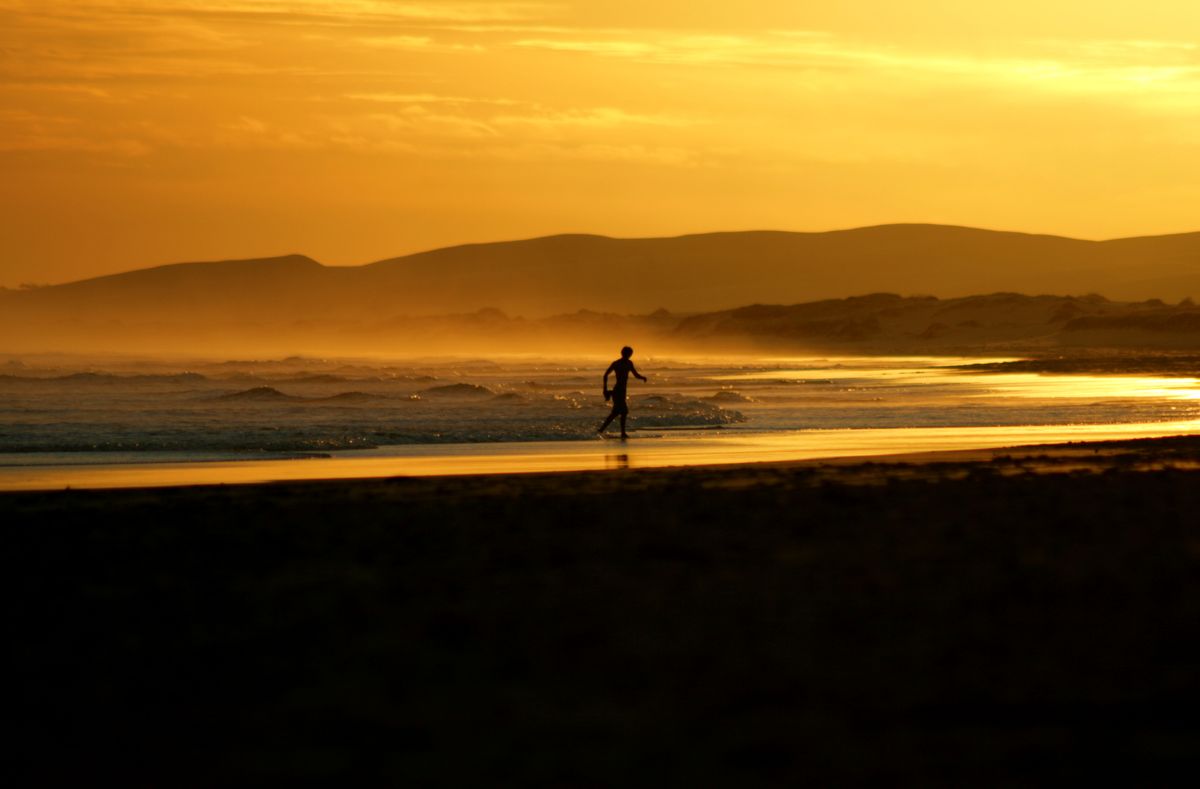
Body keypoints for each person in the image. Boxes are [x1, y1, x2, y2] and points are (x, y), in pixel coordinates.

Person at [598, 346, 647, 439]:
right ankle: (622, 433)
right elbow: (605, 375)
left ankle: (601, 430)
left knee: (616, 413)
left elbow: (635, 375)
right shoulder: (617, 363)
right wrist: (604, 389)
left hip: (622, 390)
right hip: (618, 390)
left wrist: (642, 377)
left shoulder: (628, 363)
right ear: (624, 353)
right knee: (623, 412)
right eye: (628, 353)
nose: (629, 355)